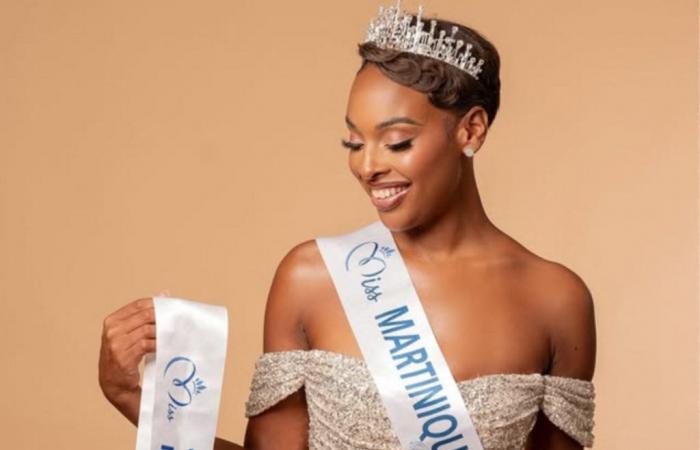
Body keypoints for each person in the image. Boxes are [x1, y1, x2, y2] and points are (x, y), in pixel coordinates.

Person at [99, 3, 596, 449]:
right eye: (354, 144)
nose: (368, 167)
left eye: (397, 142)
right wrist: (137, 400)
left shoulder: (556, 299)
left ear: (471, 129)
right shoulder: (312, 277)